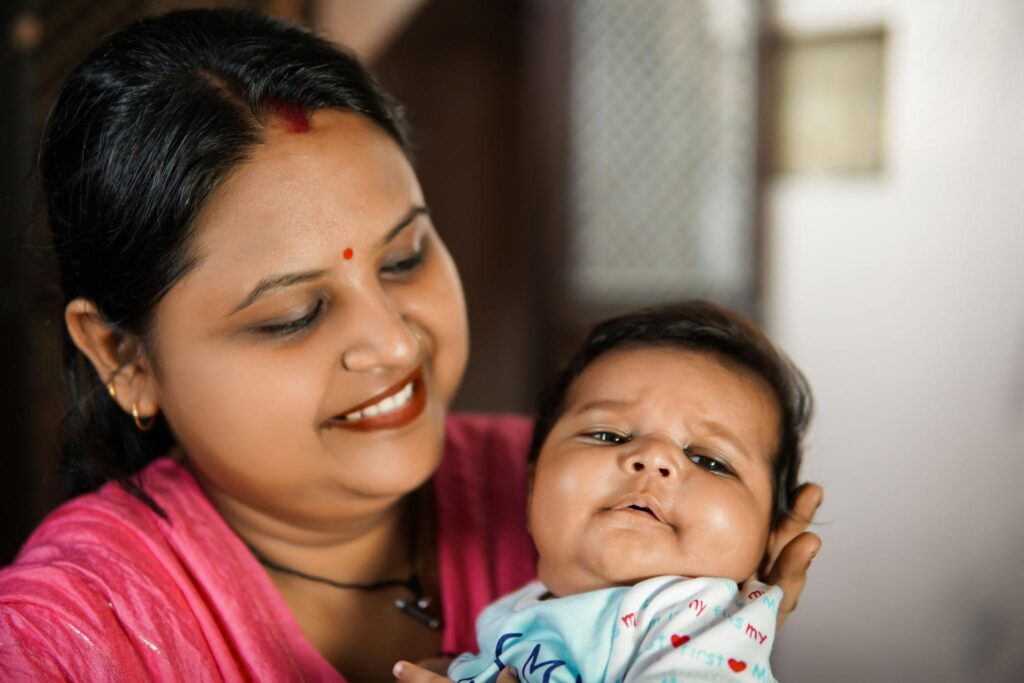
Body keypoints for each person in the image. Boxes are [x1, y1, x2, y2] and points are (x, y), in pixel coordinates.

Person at [0, 9, 821, 682]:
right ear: (123, 356)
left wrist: (697, 628)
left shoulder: (581, 485)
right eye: (293, 313)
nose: (393, 344)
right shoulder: (68, 628)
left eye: (406, 257)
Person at [443, 301, 815, 682]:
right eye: (609, 436)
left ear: (769, 541)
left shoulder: (704, 628)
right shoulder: (509, 614)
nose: (653, 458)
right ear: (533, 488)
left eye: (710, 461)